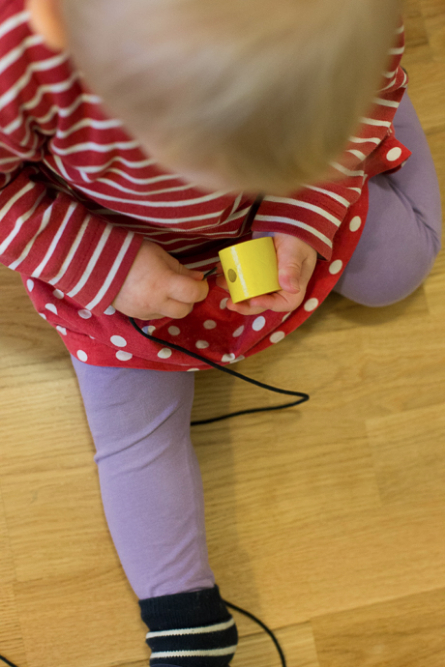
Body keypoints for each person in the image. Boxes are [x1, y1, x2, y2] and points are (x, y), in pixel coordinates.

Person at [0, 0, 441, 665]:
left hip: (299, 190)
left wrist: (303, 207)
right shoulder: (19, 60)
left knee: (398, 270)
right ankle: (185, 621)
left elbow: (366, 98)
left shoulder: (345, 20)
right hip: (111, 251)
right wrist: (109, 267)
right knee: (135, 432)